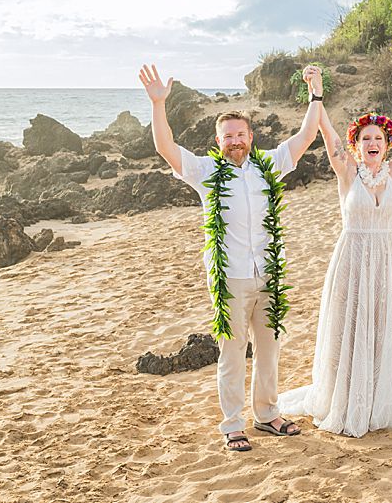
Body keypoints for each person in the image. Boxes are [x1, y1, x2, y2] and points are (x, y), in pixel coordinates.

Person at [138, 62, 325, 453]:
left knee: (270, 350)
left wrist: (316, 93)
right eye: (228, 136)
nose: (235, 140)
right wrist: (159, 104)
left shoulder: (268, 165)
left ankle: (268, 414)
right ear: (218, 139)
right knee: (233, 353)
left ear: (251, 137)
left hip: (269, 273)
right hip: (230, 278)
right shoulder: (206, 171)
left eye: (240, 134)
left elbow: (308, 134)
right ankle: (232, 424)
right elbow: (165, 148)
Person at [279, 79, 392, 437]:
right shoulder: (347, 171)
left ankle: (378, 398)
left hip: (388, 259)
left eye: (378, 139)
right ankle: (349, 398)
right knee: (351, 327)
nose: (372, 143)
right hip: (353, 258)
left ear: (387, 145)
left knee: (385, 325)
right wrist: (316, 93)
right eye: (365, 138)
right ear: (356, 145)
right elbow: (326, 131)